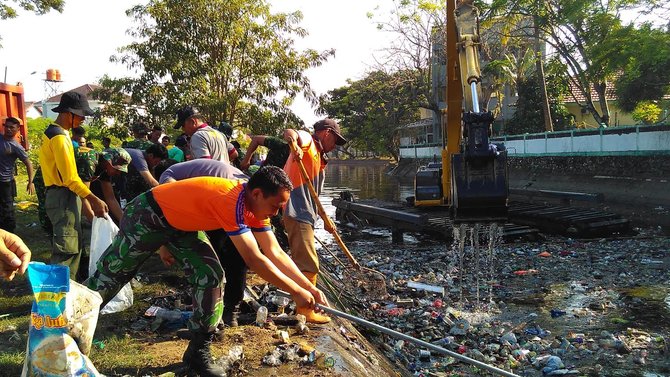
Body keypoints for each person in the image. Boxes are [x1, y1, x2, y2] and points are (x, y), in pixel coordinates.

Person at [85, 166, 328, 377]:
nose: (276, 213)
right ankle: (66, 330)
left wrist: (309, 288)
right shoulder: (231, 200)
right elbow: (254, 259)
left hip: (181, 225)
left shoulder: (256, 207)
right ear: (257, 194)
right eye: (276, 206)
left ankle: (198, 351)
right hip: (147, 215)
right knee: (112, 276)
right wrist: (295, 292)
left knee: (210, 275)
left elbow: (275, 252)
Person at [159, 159, 250, 326]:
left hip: (222, 201)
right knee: (228, 258)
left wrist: (164, 245)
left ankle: (223, 310)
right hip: (221, 203)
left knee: (219, 260)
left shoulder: (168, 176)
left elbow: (168, 213)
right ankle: (222, 311)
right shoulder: (177, 175)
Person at [282, 119, 347, 323]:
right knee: (308, 263)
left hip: (307, 213)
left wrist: (326, 220)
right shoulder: (308, 142)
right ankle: (305, 310)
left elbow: (316, 196)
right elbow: (291, 133)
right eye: (335, 140)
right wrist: (294, 144)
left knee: (304, 260)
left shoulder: (320, 157)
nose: (335, 146)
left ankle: (302, 306)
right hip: (297, 210)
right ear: (327, 133)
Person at [38, 91, 108, 280]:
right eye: (81, 115)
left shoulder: (58, 133)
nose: (83, 120)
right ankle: (55, 302)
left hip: (63, 196)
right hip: (63, 196)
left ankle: (68, 297)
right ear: (69, 113)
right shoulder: (59, 137)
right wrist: (93, 198)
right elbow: (70, 178)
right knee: (67, 249)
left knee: (74, 246)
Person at [1, 117, 35, 232]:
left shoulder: (16, 146)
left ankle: (10, 236)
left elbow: (29, 164)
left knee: (7, 211)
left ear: (17, 129)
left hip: (6, 183)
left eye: (12, 127)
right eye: (7, 126)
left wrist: (30, 182)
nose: (8, 129)